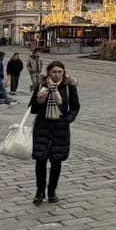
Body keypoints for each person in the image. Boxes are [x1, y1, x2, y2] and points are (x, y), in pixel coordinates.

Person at [29, 60, 80, 205]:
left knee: (57, 161)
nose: (57, 75)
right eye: (54, 72)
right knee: (40, 160)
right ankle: (39, 191)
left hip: (60, 128)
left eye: (60, 72)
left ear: (63, 73)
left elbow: (75, 107)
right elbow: (32, 109)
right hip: (43, 127)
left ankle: (52, 191)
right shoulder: (41, 85)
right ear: (48, 72)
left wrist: (67, 120)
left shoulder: (69, 86)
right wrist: (39, 100)